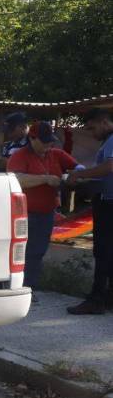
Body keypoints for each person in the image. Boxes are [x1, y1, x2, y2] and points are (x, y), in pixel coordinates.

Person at [7, 121, 79, 294]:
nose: (49, 144)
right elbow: (16, 179)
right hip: (24, 214)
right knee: (22, 252)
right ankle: (16, 288)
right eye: (45, 141)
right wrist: (45, 179)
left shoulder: (56, 154)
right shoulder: (19, 156)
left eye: (50, 141)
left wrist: (79, 174)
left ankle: (30, 288)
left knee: (38, 252)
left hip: (47, 213)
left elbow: (77, 167)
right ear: (32, 139)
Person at [66, 108, 113, 315]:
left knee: (102, 252)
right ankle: (108, 298)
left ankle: (96, 300)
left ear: (104, 122)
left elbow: (110, 166)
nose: (92, 133)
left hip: (108, 203)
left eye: (92, 127)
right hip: (106, 199)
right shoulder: (107, 142)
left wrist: (82, 175)